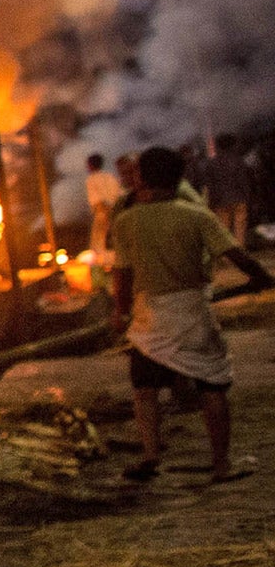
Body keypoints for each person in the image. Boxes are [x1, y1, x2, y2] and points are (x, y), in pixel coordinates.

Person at [111, 145, 273, 483]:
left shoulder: (125, 221)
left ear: (140, 178)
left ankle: (151, 456)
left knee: (144, 387)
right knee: (211, 386)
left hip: (148, 316)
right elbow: (234, 253)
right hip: (191, 312)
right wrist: (261, 277)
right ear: (180, 177)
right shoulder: (196, 215)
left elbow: (122, 274)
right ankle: (221, 465)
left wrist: (120, 311)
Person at [207, 133, 255, 245]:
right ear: (233, 145)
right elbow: (244, 182)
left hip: (220, 201)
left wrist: (211, 202)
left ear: (218, 146)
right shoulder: (238, 161)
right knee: (240, 228)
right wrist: (248, 198)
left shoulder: (212, 163)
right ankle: (240, 251)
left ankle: (227, 254)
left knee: (223, 229)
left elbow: (211, 185)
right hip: (239, 198)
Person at [85, 152, 119, 268]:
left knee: (99, 245)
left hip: (103, 214)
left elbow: (98, 202)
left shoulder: (91, 179)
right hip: (117, 213)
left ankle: (103, 271)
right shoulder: (111, 177)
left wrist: (105, 215)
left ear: (90, 165)